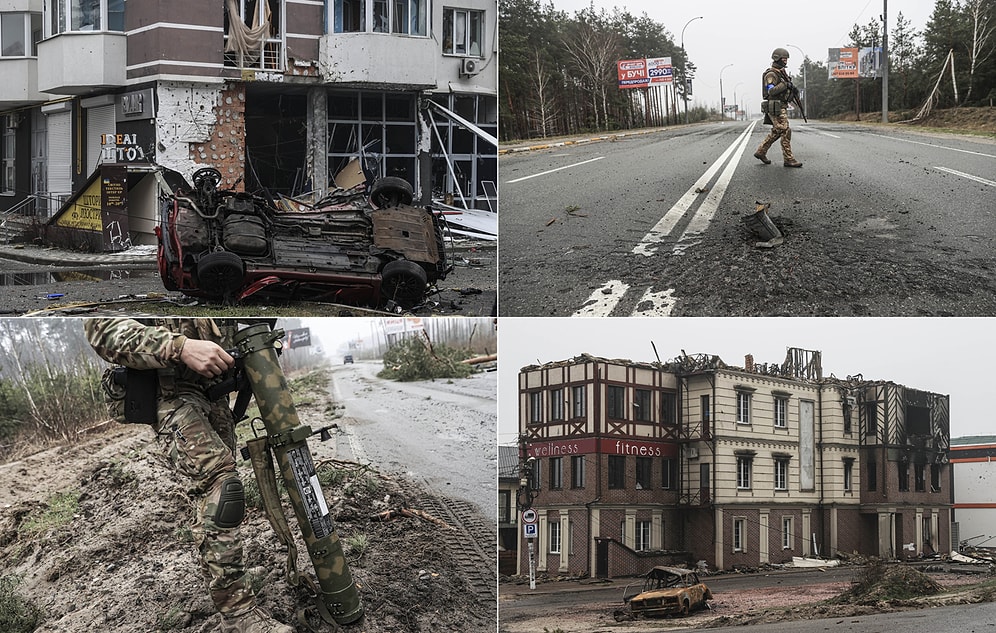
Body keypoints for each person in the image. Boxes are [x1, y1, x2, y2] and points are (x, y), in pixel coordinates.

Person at [85, 318, 294, 633]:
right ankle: (239, 618)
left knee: (210, 500)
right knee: (223, 487)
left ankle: (224, 581)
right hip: (168, 394)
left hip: (215, 396)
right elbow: (102, 330)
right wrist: (180, 347)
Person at [754, 47, 803, 168]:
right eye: (784, 59)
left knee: (778, 131)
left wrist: (791, 89)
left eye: (786, 59)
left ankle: (761, 152)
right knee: (785, 130)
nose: (786, 61)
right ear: (777, 58)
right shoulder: (771, 74)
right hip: (775, 106)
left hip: (781, 105)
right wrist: (785, 85)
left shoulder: (781, 73)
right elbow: (771, 91)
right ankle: (789, 159)